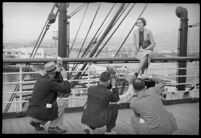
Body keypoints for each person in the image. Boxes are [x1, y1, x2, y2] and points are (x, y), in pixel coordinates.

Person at [26, 61, 71, 134]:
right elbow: (67, 90)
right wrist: (65, 78)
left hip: (33, 112)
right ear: (54, 72)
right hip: (40, 112)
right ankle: (53, 127)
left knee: (50, 105)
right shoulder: (50, 82)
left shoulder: (41, 78)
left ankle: (37, 122)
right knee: (63, 103)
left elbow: (56, 83)